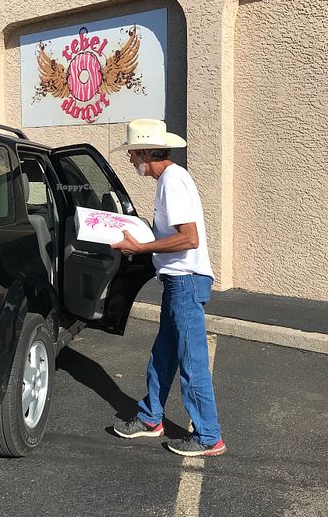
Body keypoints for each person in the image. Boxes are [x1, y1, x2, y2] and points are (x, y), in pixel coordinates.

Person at [110, 119, 226, 457]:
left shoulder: (172, 182)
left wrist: (141, 248)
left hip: (186, 283)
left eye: (133, 154)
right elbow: (176, 235)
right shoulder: (169, 180)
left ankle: (208, 436)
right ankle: (150, 418)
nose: (131, 160)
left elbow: (189, 238)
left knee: (192, 362)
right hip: (178, 283)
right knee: (164, 355)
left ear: (145, 151)